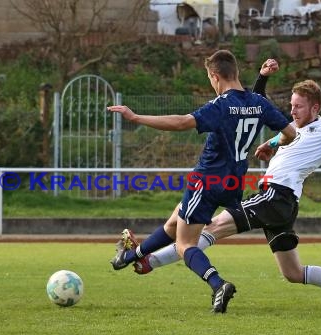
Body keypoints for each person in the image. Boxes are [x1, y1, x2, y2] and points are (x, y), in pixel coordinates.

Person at [126, 78, 321, 307]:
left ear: (315, 108)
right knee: (293, 273)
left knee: (211, 227)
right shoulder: (293, 128)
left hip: (276, 195)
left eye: (298, 106)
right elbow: (254, 107)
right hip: (283, 205)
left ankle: (149, 261)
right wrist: (269, 142)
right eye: (291, 105)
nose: (292, 111)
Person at [107, 50, 296, 313]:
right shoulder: (259, 103)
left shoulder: (221, 105)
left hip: (206, 181)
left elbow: (183, 122)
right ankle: (129, 257)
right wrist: (271, 144)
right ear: (237, 73)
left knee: (185, 245)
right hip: (233, 185)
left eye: (209, 78)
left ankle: (218, 285)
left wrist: (136, 117)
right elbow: (290, 133)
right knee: (175, 222)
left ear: (215, 76)